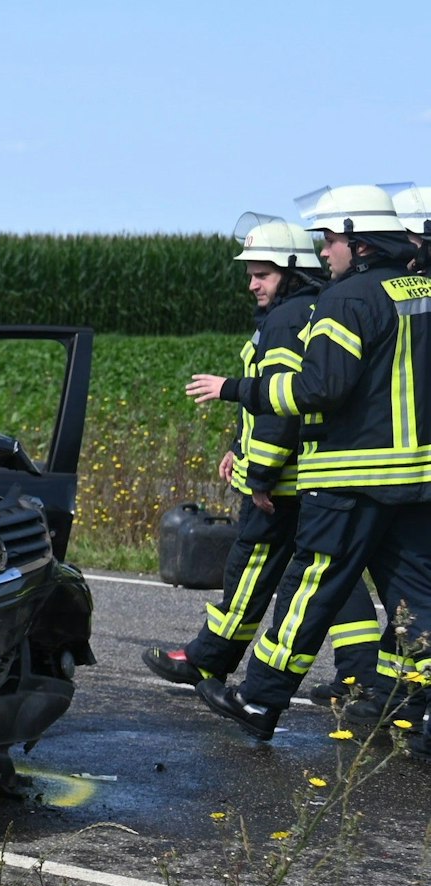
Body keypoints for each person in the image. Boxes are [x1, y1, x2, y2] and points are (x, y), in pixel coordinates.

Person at [188, 186, 431, 742]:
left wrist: (237, 389)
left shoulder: (348, 300)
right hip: (418, 480)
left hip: (352, 478)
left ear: (359, 240)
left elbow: (321, 388)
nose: (324, 251)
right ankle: (410, 711)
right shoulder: (424, 290)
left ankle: (259, 700)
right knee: (419, 599)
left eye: (330, 238)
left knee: (310, 587)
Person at [145, 217, 380, 697]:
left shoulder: (286, 319)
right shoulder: (313, 309)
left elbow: (281, 407)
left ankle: (207, 659)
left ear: (293, 272)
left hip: (281, 482)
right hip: (311, 475)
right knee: (332, 576)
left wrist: (261, 475)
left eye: (263, 274)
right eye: (251, 274)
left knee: (249, 566)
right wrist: (238, 448)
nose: (252, 284)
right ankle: (358, 671)